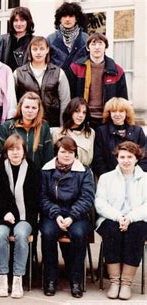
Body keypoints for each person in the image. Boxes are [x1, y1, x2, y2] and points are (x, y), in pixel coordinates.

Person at [40, 136, 95, 298]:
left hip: (77, 215)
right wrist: (56, 214)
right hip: (53, 214)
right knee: (48, 233)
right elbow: (43, 197)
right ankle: (50, 279)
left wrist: (71, 216)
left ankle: (76, 280)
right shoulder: (46, 170)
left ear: (75, 154)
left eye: (71, 152)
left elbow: (87, 198)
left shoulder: (84, 171)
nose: (67, 155)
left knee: (78, 234)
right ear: (57, 152)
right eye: (63, 151)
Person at [0, 134, 40, 299]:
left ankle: (18, 278)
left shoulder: (33, 169)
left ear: (24, 151)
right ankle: (3, 277)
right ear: (6, 152)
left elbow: (34, 199)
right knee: (1, 234)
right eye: (11, 149)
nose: (15, 153)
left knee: (21, 233)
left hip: (25, 216)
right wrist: (5, 213)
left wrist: (16, 215)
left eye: (18, 149)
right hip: (1, 215)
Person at [95, 141, 147, 300]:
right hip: (111, 218)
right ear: (117, 158)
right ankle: (114, 282)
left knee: (137, 231)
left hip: (137, 219)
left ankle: (126, 283)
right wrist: (119, 217)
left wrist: (130, 218)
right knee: (112, 230)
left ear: (136, 158)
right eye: (122, 156)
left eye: (130, 157)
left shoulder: (145, 178)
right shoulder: (106, 178)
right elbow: (100, 203)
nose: (126, 160)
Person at [68, 33, 128, 128]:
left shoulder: (117, 71)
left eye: (100, 44)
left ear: (105, 47)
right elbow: (70, 96)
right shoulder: (76, 68)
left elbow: (123, 100)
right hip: (83, 117)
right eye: (93, 44)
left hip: (107, 119)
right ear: (88, 48)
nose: (97, 47)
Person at [14, 36, 70, 127]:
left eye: (42, 49)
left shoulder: (58, 72)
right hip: (26, 124)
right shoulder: (18, 73)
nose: (38, 52)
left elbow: (65, 101)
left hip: (51, 124)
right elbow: (13, 101)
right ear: (30, 51)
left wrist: (63, 126)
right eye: (35, 49)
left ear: (47, 50)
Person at [0, 91, 53, 170]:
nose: (30, 111)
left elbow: (48, 156)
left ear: (39, 109)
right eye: (27, 107)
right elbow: (1, 154)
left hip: (36, 175)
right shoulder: (7, 126)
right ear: (20, 107)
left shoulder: (44, 127)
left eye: (34, 108)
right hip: (12, 173)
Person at [93, 97, 146, 176]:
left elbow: (144, 156)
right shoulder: (101, 131)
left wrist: (135, 175)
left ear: (126, 113)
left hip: (134, 178)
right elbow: (98, 158)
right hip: (109, 178)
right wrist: (108, 177)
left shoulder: (138, 131)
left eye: (121, 111)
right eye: (114, 111)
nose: (117, 114)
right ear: (109, 113)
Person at [52, 97, 95, 166]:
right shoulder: (57, 132)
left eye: (84, 112)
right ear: (70, 112)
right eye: (77, 111)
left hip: (84, 173)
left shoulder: (90, 133)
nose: (81, 115)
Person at [47, 2, 88, 73]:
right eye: (64, 16)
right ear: (59, 19)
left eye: (71, 16)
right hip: (57, 80)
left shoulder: (85, 38)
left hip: (79, 80)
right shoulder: (51, 39)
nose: (67, 19)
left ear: (77, 19)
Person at [0, 7, 34, 72]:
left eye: (22, 20)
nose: (19, 24)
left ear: (28, 21)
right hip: (6, 79)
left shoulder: (34, 41)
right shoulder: (3, 40)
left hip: (26, 80)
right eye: (16, 20)